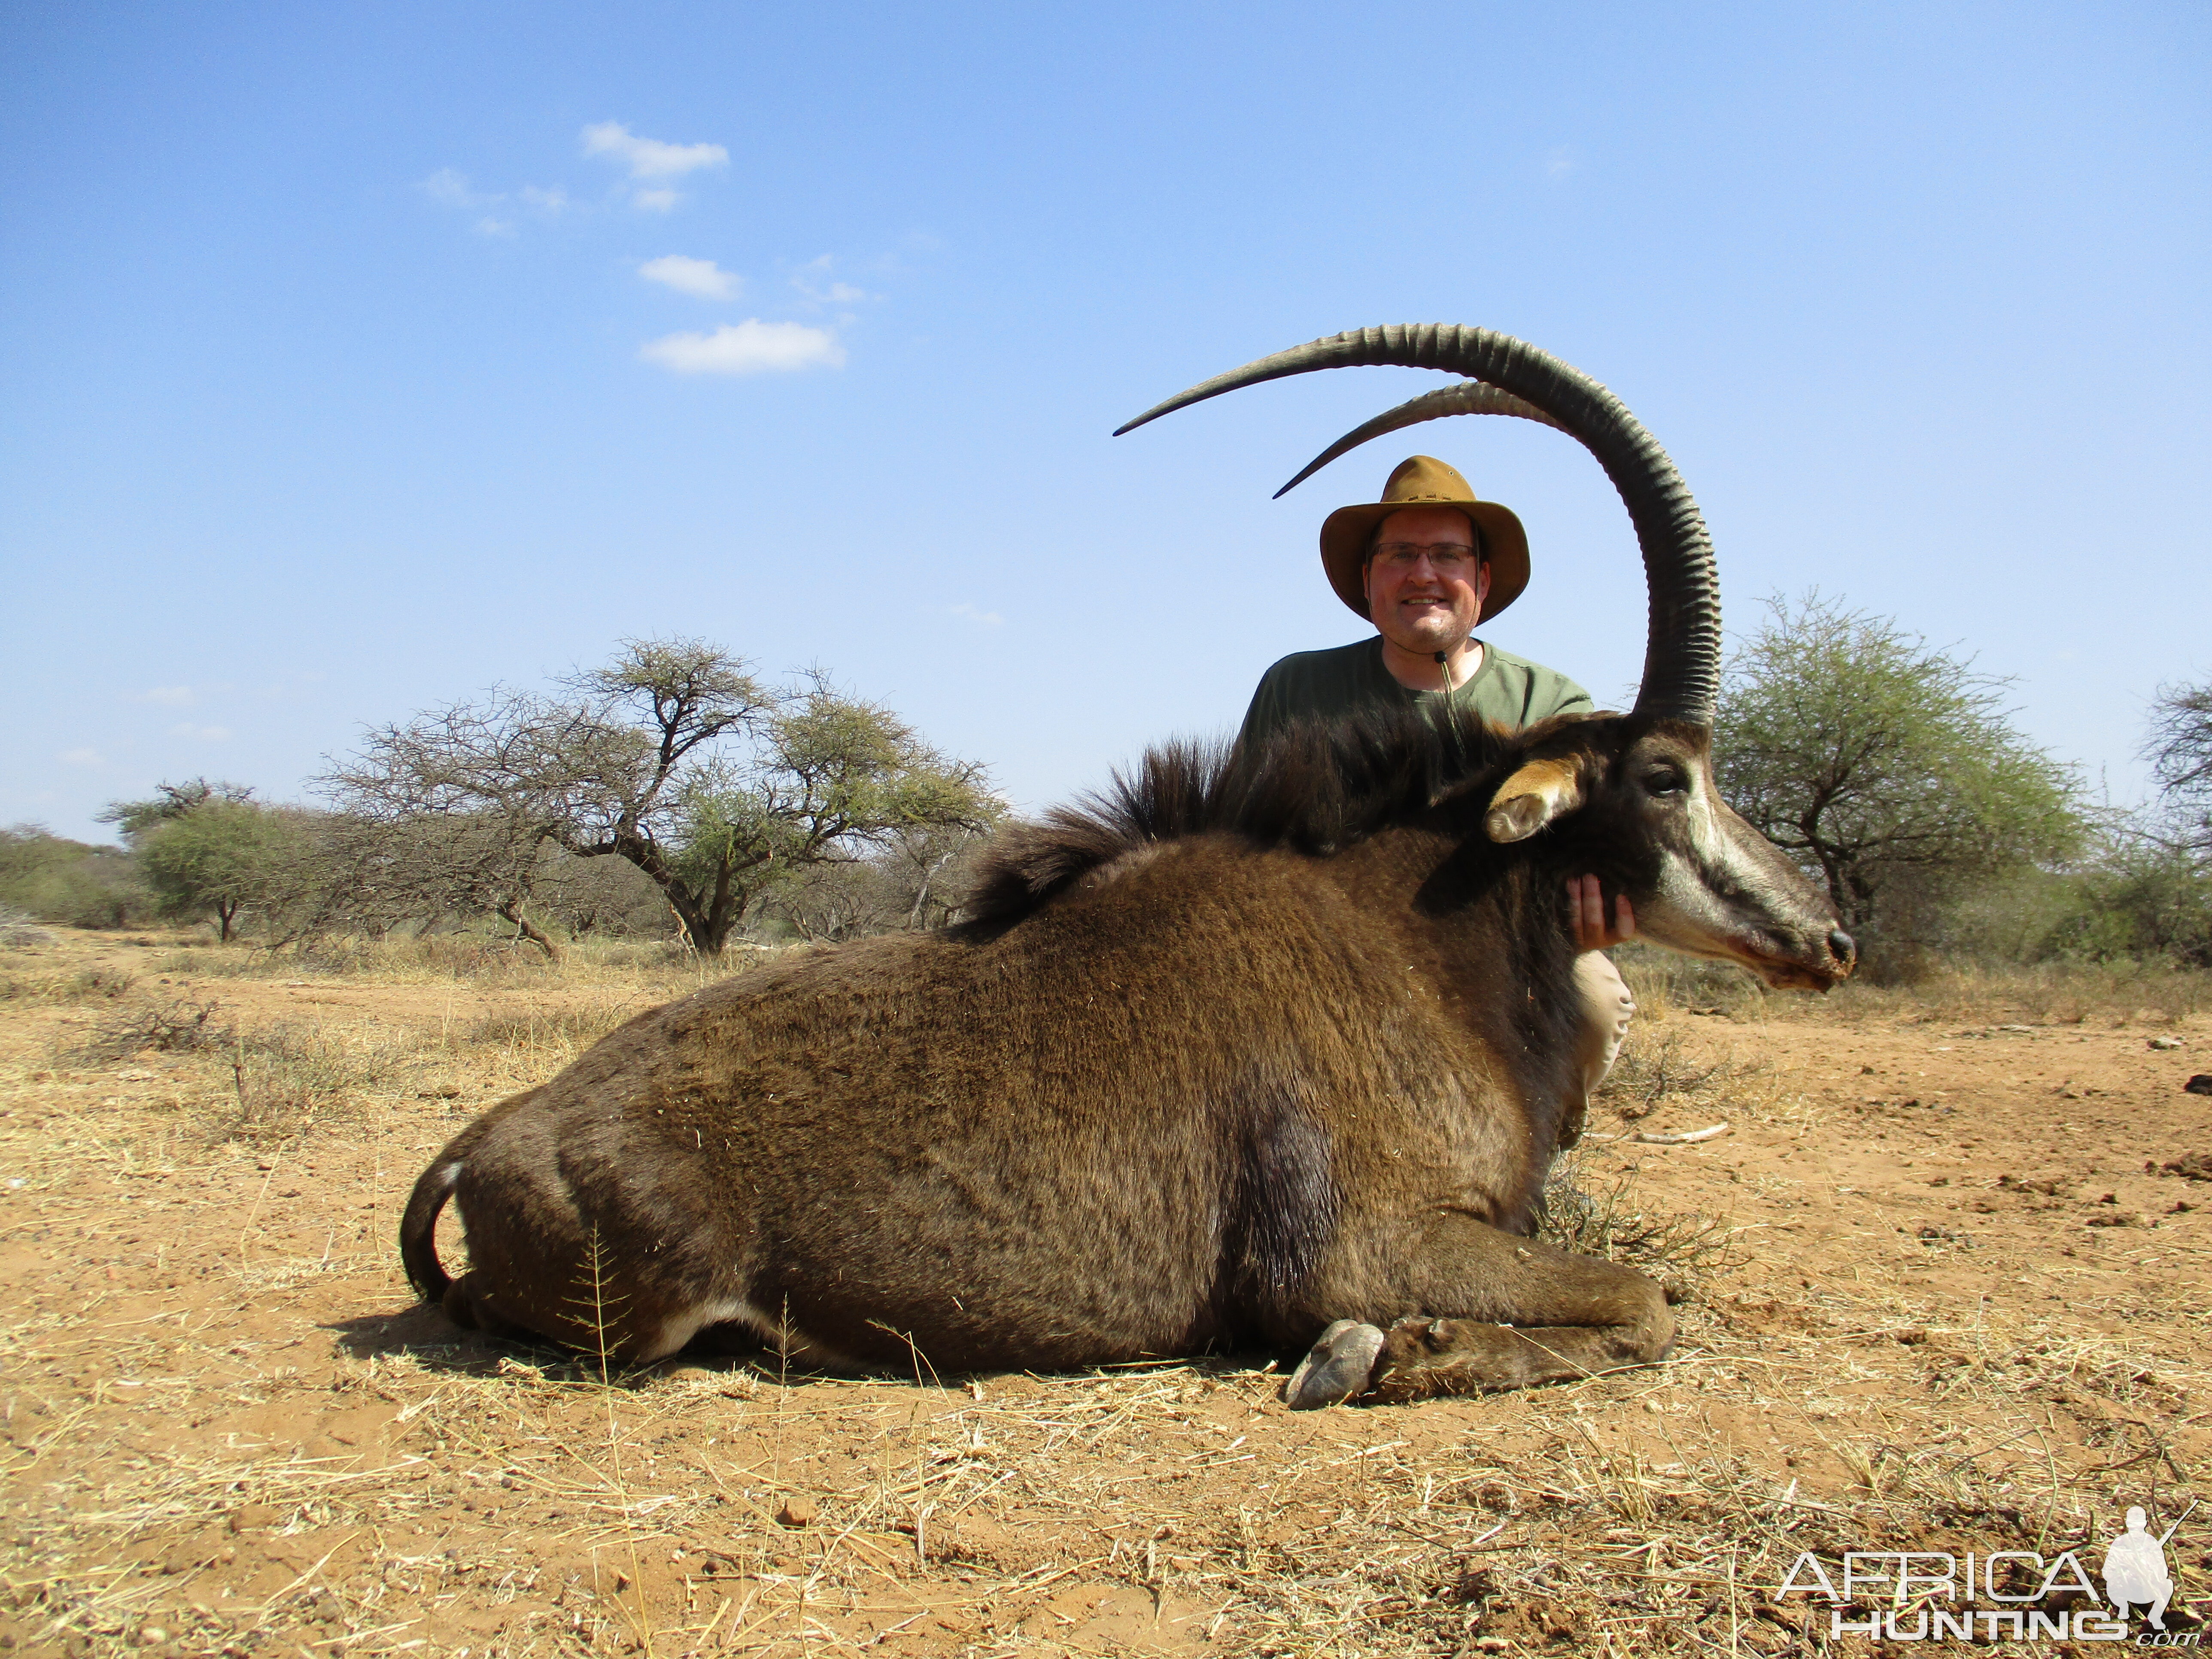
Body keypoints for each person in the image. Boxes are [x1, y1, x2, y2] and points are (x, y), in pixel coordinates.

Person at [1235, 454, 1635, 1141]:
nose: (1424, 573)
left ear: (1482, 578)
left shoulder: (1553, 703)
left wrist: (1596, 917)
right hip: (1328, 946)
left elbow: (1584, 861)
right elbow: (1240, 840)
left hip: (1503, 944)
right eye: (1400, 555)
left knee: (1593, 1004)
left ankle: (1532, 1154)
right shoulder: (1296, 688)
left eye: (1448, 554)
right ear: (1368, 580)